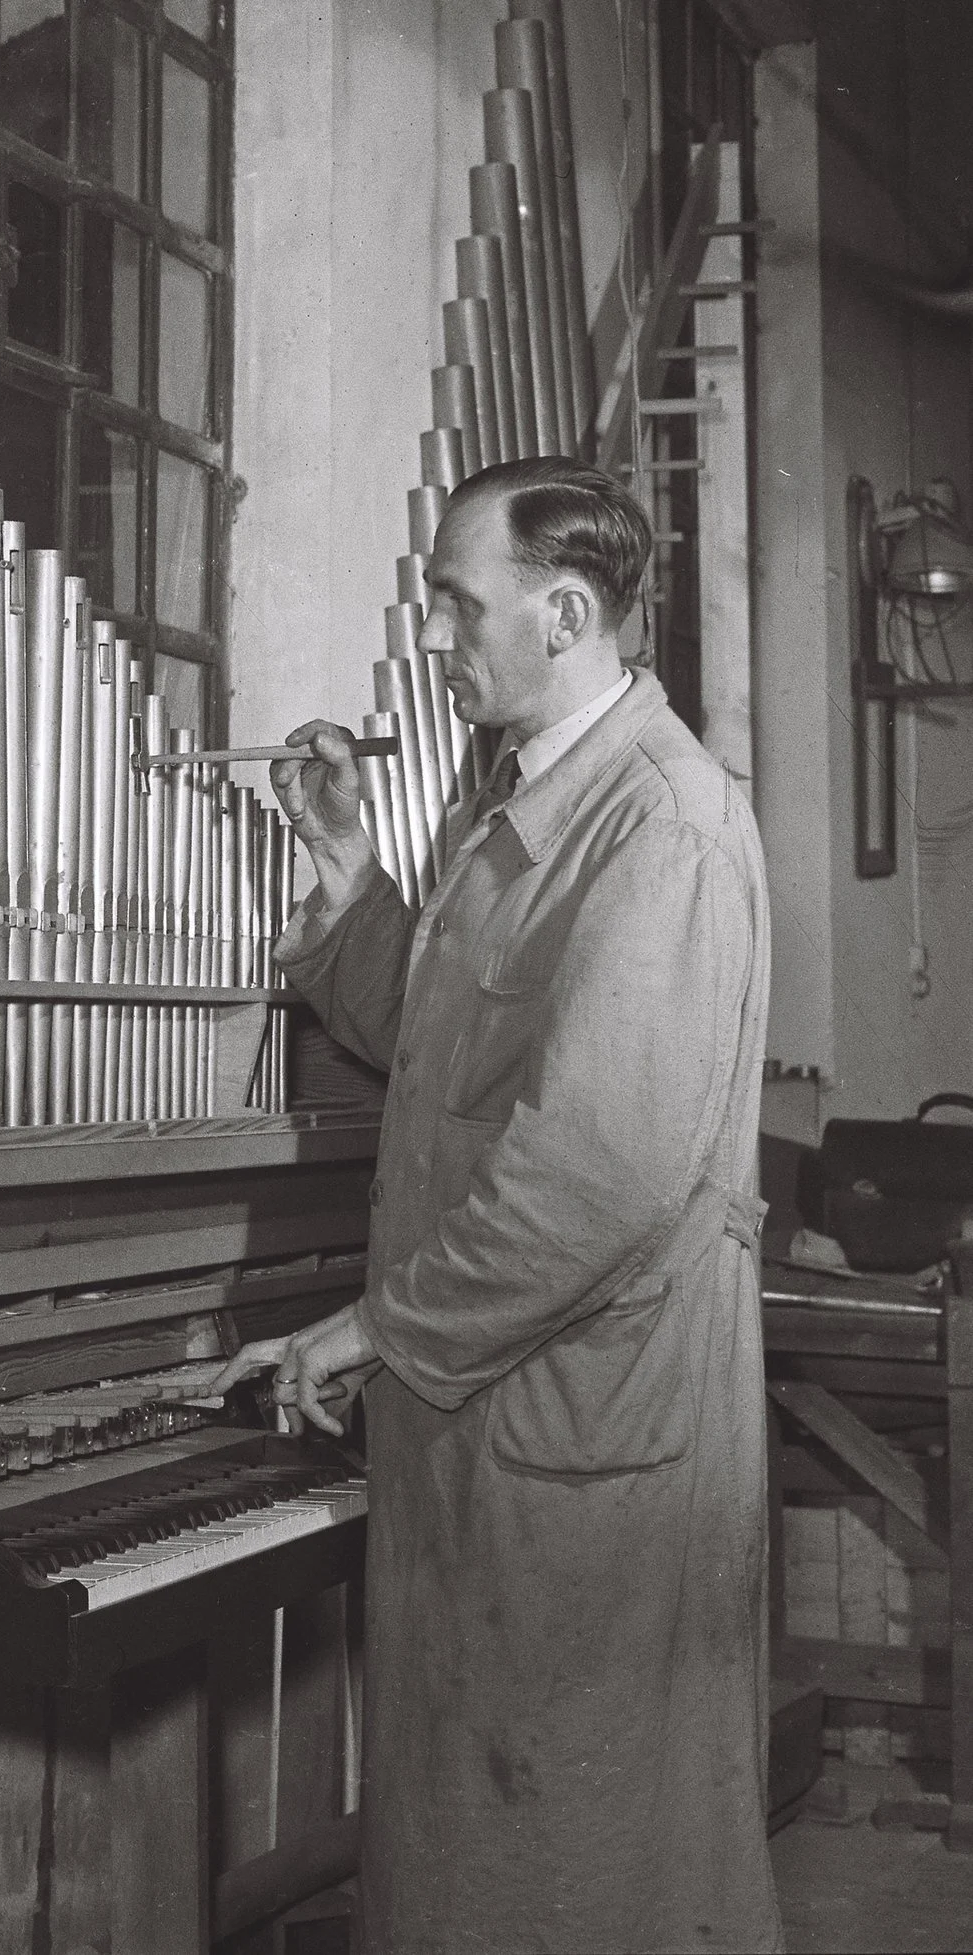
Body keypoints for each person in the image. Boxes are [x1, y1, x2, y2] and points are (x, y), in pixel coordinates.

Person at [213, 457, 782, 1952]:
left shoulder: (663, 824)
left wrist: (369, 1330)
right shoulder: (519, 799)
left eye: (460, 606)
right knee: (480, 1860)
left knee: (587, 1873)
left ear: (567, 610)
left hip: (585, 1428)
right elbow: (452, 1048)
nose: (439, 638)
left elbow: (593, 1173)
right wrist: (346, 859)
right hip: (500, 1416)